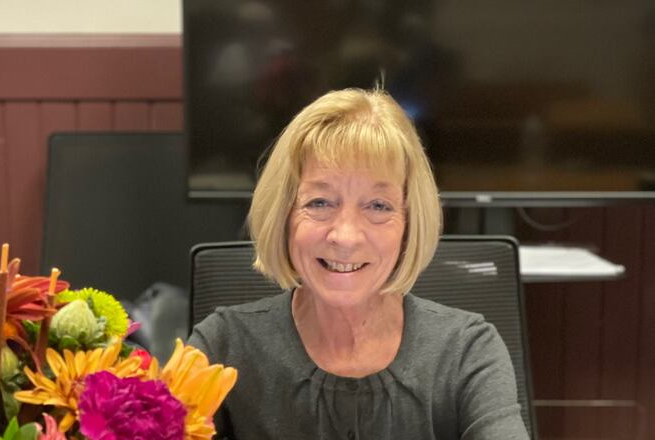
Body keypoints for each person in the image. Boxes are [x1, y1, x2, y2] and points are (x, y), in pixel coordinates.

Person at [188, 88, 529, 439]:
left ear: (410, 224)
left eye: (379, 206)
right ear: (284, 215)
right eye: (319, 203)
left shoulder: (468, 351)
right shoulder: (221, 347)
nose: (346, 237)